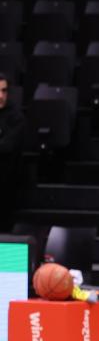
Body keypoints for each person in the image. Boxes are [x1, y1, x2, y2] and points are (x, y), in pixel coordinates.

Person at [0, 72, 24, 232]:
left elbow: (7, 147)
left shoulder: (16, 117)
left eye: (4, 91)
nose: (0, 96)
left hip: (6, 183)